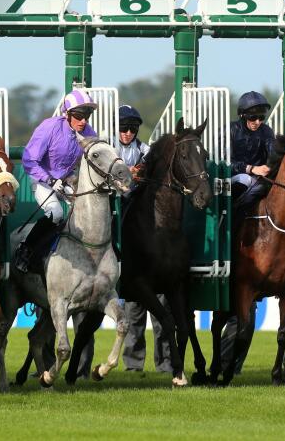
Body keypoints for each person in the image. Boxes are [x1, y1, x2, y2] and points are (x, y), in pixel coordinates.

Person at [13, 89, 99, 273]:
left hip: (68, 180)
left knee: (89, 213)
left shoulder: (89, 132)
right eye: (78, 115)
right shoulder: (50, 127)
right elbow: (29, 160)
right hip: (42, 179)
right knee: (56, 214)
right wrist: (49, 179)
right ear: (67, 114)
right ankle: (25, 250)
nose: (83, 121)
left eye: (87, 115)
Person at [114, 105, 173, 373]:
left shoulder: (146, 150)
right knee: (135, 311)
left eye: (132, 129)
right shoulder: (107, 147)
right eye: (123, 128)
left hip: (137, 204)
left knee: (159, 310)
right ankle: (133, 365)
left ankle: (165, 363)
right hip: (115, 205)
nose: (127, 133)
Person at [221, 91, 274, 374]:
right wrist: (253, 168)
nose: (257, 121)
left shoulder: (267, 132)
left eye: (260, 117)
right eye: (252, 117)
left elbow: (273, 158)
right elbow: (225, 163)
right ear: (242, 116)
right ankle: (233, 219)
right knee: (245, 180)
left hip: (260, 179)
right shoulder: (229, 131)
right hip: (235, 178)